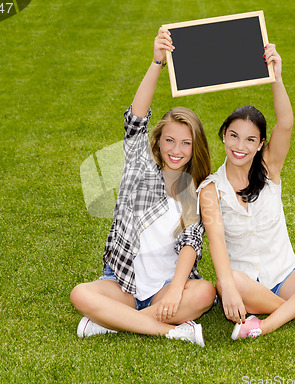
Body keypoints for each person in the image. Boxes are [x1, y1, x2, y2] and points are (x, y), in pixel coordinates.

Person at [70, 27, 215, 347]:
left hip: (166, 291)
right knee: (80, 293)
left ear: (195, 147)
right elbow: (135, 119)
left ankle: (112, 324)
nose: (177, 150)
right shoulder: (139, 169)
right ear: (158, 143)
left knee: (204, 292)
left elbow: (192, 242)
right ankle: (169, 329)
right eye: (170, 141)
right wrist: (157, 62)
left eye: (186, 143)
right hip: (123, 287)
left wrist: (177, 289)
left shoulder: (195, 189)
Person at [198, 43, 295, 340]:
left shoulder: (269, 169)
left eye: (249, 140)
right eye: (233, 136)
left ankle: (266, 324)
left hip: (286, 278)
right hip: (246, 288)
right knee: (232, 281)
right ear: (223, 135)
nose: (239, 146)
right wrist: (226, 286)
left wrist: (276, 78)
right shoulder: (210, 188)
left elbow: (286, 123)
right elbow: (215, 240)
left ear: (260, 144)